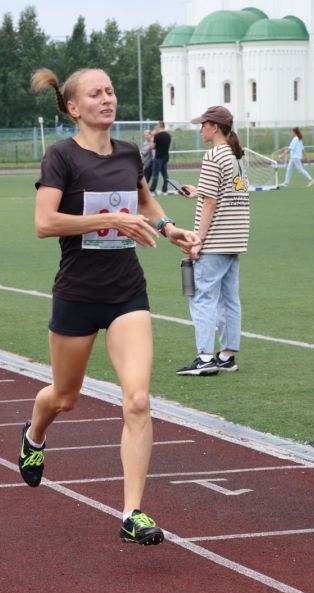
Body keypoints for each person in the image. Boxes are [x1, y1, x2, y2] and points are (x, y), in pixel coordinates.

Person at [24, 66, 201, 545]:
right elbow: (44, 222)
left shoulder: (128, 154)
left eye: (111, 91)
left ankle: (131, 512)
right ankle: (35, 433)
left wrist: (170, 229)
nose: (107, 98)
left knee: (138, 400)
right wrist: (107, 220)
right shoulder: (61, 157)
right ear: (74, 107)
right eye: (95, 93)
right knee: (64, 397)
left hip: (127, 293)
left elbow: (144, 202)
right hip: (77, 296)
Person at [176, 106, 250, 376]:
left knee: (202, 297)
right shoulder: (236, 156)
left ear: (215, 127)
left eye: (203, 124)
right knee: (229, 298)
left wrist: (198, 239)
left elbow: (211, 202)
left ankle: (205, 357)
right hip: (235, 237)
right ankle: (226, 355)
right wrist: (198, 191)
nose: (200, 129)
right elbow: (232, 192)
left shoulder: (213, 156)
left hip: (216, 238)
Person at [147, 121, 172, 195]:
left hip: (158, 157)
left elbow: (152, 146)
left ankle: (152, 190)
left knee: (155, 174)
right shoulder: (168, 135)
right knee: (165, 174)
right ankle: (165, 189)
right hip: (166, 157)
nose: (156, 127)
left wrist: (152, 138)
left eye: (157, 125)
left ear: (160, 126)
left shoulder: (157, 136)